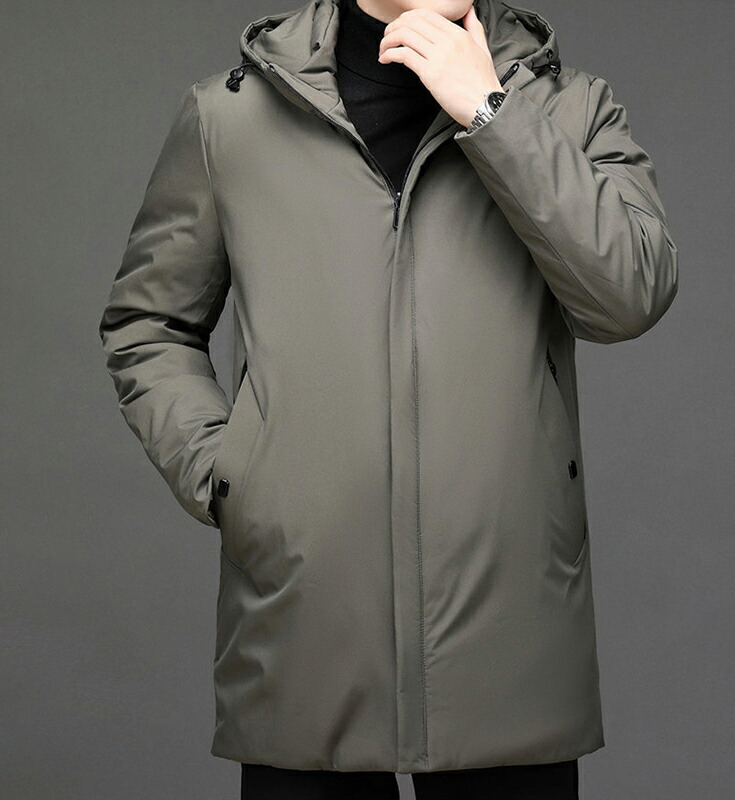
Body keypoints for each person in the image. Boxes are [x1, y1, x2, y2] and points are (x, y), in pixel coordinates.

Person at [98, 0, 679, 797]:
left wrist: (493, 114)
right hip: (305, 634)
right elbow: (148, 323)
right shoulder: (230, 118)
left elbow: (630, 295)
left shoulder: (568, 105)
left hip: (509, 643)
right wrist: (229, 474)